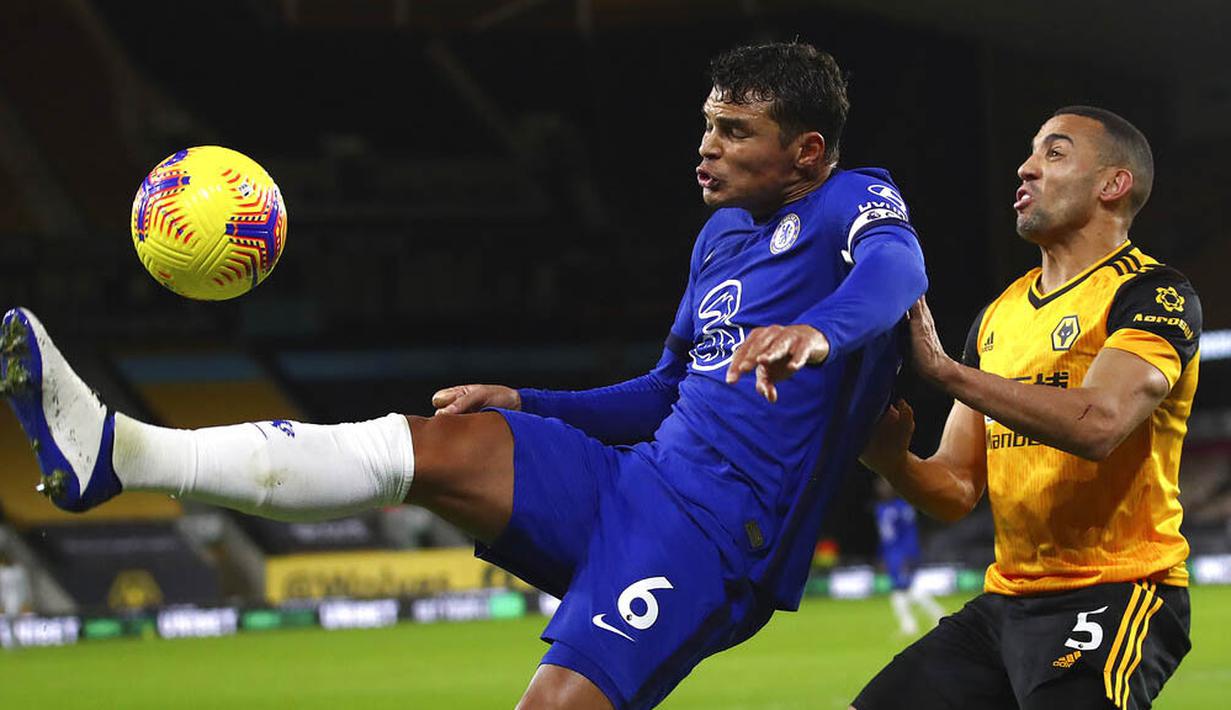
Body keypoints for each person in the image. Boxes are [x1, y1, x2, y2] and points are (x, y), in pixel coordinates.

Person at [0, 42, 927, 709]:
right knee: (435, 445)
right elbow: (664, 392)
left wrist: (813, 329)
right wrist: (531, 402)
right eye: (706, 125)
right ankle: (122, 454)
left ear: (806, 152)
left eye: (734, 130)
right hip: (637, 483)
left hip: (720, 539)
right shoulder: (720, 237)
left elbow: (897, 276)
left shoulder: (855, 199)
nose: (706, 147)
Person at [854, 106, 1199, 710]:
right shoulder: (998, 317)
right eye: (1031, 153)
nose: (1026, 168)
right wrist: (892, 461)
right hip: (1006, 602)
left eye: (1054, 154)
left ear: (1112, 186)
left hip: (1117, 592)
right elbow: (957, 488)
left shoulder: (1153, 294)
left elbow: (1100, 423)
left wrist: (947, 374)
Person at [872, 477, 944, 635]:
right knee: (899, 590)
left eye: (886, 486)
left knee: (906, 588)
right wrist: (882, 557)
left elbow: (909, 534)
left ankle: (936, 614)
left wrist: (909, 555)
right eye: (880, 486)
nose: (882, 489)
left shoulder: (903, 508)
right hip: (891, 556)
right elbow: (885, 538)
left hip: (903, 554)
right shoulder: (880, 510)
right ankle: (910, 625)